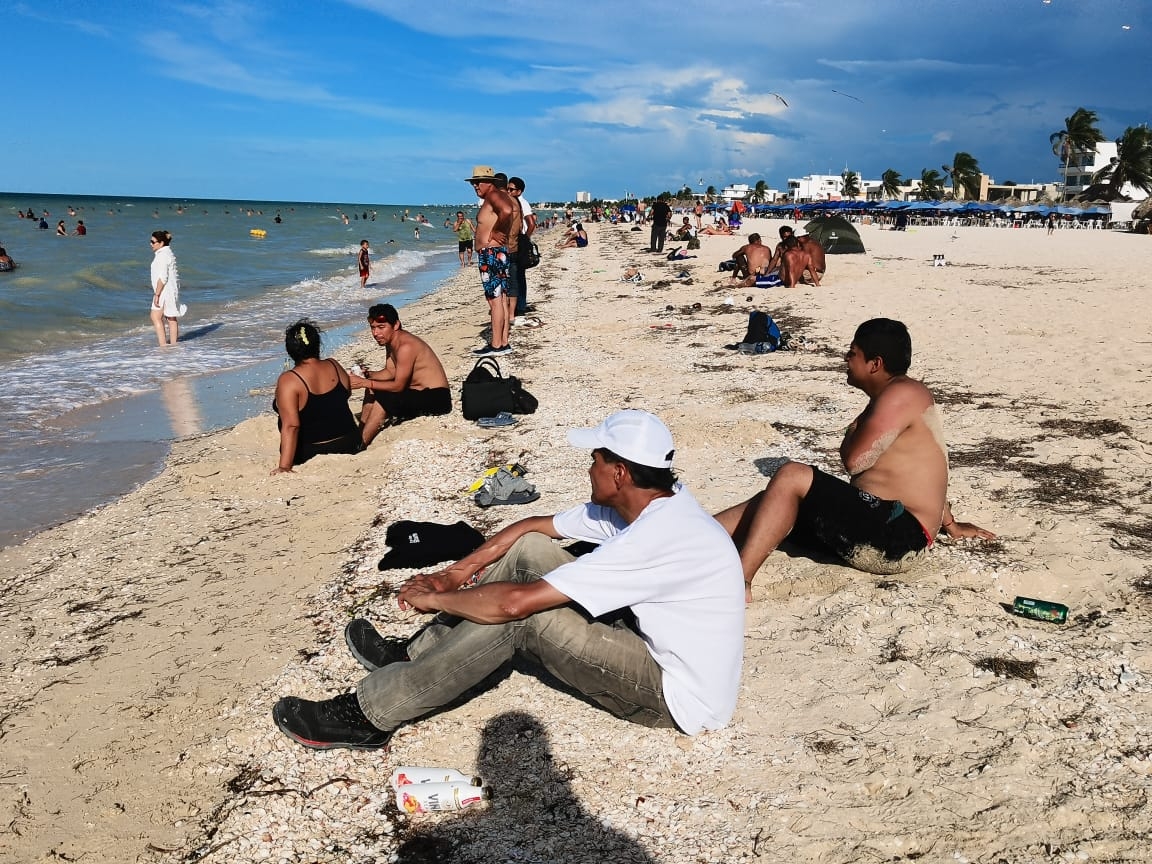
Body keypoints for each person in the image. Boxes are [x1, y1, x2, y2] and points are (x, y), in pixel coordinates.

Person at [272, 410, 745, 750]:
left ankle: (369, 714)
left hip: (676, 695)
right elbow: (531, 528)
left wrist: (439, 601)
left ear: (619, 472)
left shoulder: (655, 536)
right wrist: (455, 575)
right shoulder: (654, 500)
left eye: (596, 459)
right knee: (531, 553)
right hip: (654, 645)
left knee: (522, 620)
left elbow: (514, 606)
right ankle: (417, 652)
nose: (588, 467)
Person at [714, 319, 995, 603]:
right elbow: (926, 467)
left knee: (791, 476)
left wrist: (853, 427)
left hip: (898, 536)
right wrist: (950, 524)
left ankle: (741, 581)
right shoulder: (900, 394)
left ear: (875, 363)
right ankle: (693, 536)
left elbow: (855, 461)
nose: (846, 359)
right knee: (772, 501)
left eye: (852, 353)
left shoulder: (900, 395)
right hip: (880, 525)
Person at [350, 303, 451, 445]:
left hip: (436, 398)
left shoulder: (405, 347)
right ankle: (359, 434)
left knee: (384, 397)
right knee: (373, 388)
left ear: (396, 325)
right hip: (418, 392)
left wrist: (364, 382)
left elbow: (398, 386)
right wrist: (367, 375)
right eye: (373, 328)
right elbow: (390, 372)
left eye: (381, 327)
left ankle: (361, 444)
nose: (375, 333)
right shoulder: (391, 342)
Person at [271, 319, 362, 474]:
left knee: (285, 413)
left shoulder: (289, 379)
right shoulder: (333, 364)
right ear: (317, 345)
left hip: (313, 450)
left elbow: (291, 426)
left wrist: (284, 467)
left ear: (290, 350)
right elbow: (346, 393)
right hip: (350, 442)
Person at [467, 165, 516, 358]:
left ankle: (496, 345)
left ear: (490, 182)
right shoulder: (500, 195)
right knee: (501, 299)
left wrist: (496, 231)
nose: (475, 186)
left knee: (495, 300)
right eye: (473, 182)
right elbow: (508, 208)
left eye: (478, 182)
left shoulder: (494, 196)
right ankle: (503, 342)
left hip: (491, 253)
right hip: (497, 253)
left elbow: (506, 211)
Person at [149, 230, 185, 346]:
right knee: (171, 317)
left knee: (155, 316)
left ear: (161, 243)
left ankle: (163, 345)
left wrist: (157, 294)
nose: (150, 244)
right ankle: (174, 345)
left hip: (165, 290)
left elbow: (163, 277)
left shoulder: (162, 255)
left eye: (153, 242)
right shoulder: (168, 253)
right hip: (171, 289)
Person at [509, 176, 537, 316]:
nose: (509, 191)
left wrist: (524, 239)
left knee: (518, 274)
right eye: (508, 188)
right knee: (518, 274)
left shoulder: (522, 203)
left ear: (519, 191)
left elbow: (531, 223)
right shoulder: (515, 201)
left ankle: (520, 306)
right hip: (519, 241)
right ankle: (520, 305)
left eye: (511, 189)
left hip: (520, 242)